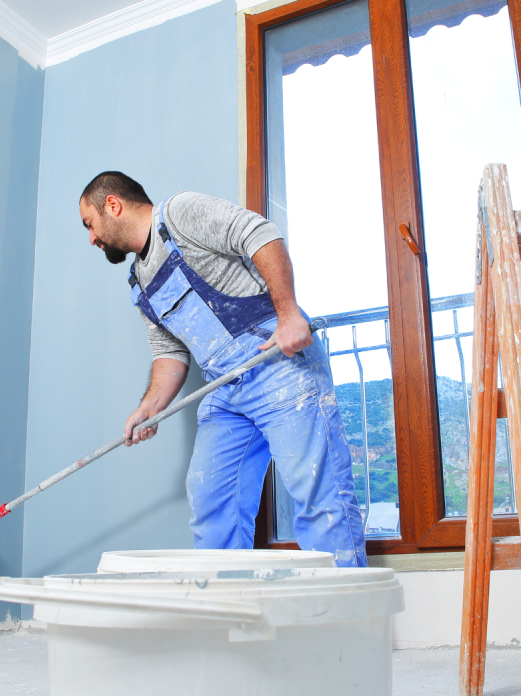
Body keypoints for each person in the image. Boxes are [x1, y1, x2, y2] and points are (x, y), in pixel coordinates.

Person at [78, 171, 367, 567]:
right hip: (225, 386)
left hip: (276, 364)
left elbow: (258, 233)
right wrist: (150, 407)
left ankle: (345, 604)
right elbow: (169, 352)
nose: (91, 238)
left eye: (89, 224)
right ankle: (230, 599)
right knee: (210, 497)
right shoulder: (138, 282)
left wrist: (289, 316)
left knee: (319, 495)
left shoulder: (178, 214)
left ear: (112, 205)